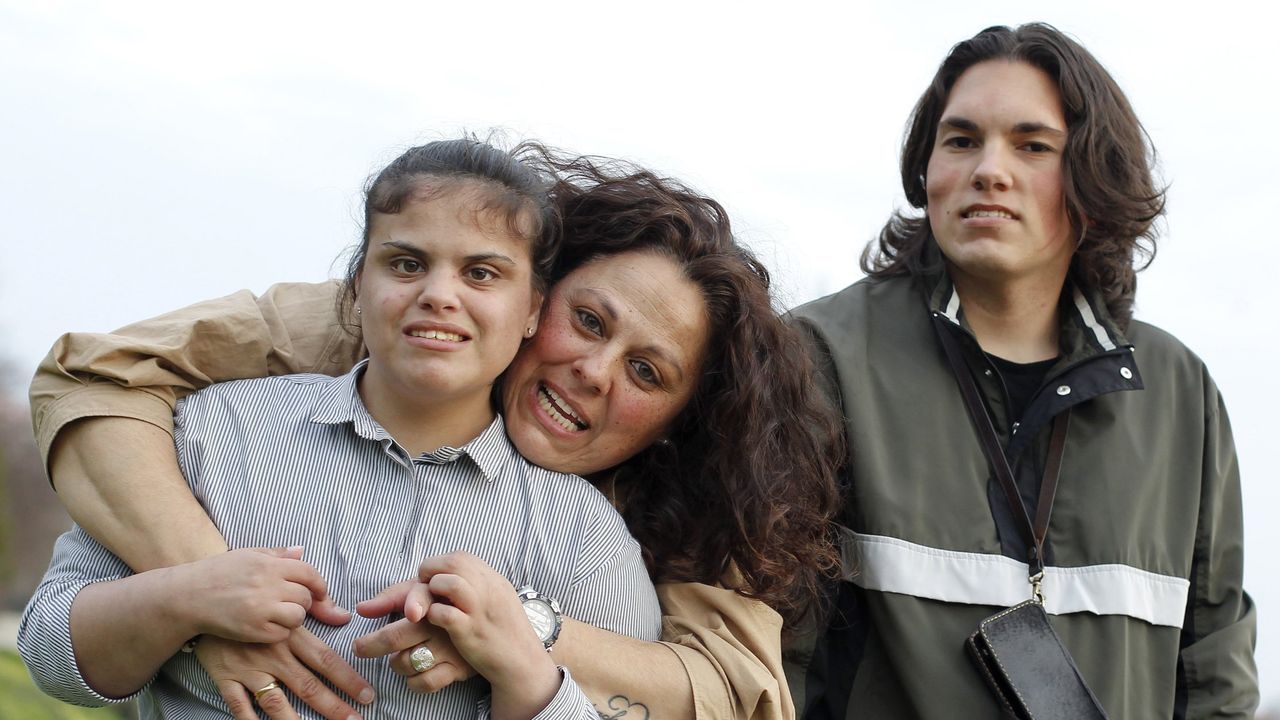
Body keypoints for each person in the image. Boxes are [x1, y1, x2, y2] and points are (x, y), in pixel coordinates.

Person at [27, 148, 843, 719]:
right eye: (587, 321)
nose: (594, 371)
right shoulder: (253, 407)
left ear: (677, 424)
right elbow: (97, 378)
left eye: (647, 373)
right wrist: (196, 598)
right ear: (537, 300)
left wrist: (527, 645)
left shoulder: (607, 537)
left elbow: (727, 691)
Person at [785, 23, 1258, 718]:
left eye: (1031, 145)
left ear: (1092, 178)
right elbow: (770, 656)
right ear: (927, 169)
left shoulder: (1180, 392)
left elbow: (1216, 670)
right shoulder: (817, 356)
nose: (989, 170)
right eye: (962, 140)